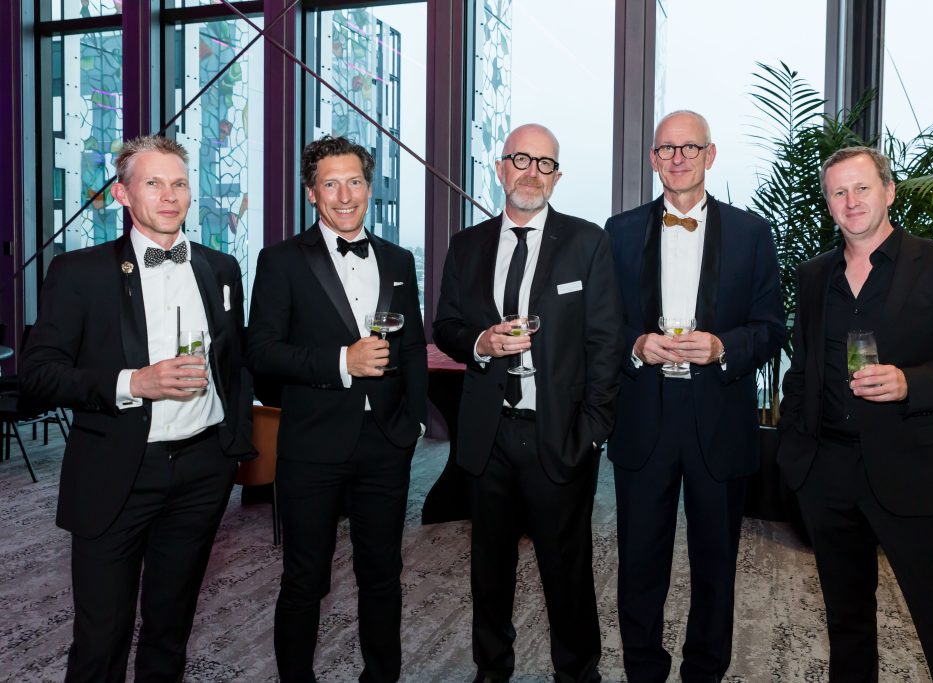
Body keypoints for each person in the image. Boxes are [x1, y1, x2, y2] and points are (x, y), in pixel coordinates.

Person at [19, 134, 254, 682]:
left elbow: (234, 362)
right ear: (123, 194)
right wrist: (134, 382)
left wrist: (232, 445)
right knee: (102, 637)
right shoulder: (79, 272)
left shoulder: (221, 268)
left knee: (170, 628)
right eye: (153, 183)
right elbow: (38, 374)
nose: (169, 196)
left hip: (202, 469)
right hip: (116, 470)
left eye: (179, 184)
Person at [778, 145, 933, 682]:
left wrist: (913, 382)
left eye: (862, 188)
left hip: (919, 476)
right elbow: (803, 371)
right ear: (828, 203)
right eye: (838, 192)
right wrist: (797, 456)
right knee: (847, 626)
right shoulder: (814, 276)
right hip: (827, 475)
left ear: (888, 191)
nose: (851, 201)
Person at [433, 123, 622, 683]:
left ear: (557, 177)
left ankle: (578, 673)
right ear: (500, 168)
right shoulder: (466, 245)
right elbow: (445, 326)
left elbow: (606, 342)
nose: (532, 173)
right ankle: (491, 670)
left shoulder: (587, 242)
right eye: (521, 159)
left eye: (545, 164)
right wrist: (480, 342)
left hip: (558, 433)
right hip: (487, 433)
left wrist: (592, 429)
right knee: (489, 569)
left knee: (567, 570)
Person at [606, 110, 786, 682]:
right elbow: (601, 325)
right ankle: (643, 671)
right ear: (653, 159)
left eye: (689, 148)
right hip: (644, 414)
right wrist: (636, 346)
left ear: (710, 155)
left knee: (716, 563)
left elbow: (772, 327)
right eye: (667, 149)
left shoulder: (752, 233)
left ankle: (705, 672)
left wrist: (723, 347)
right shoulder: (619, 231)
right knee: (640, 562)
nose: (677, 158)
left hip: (720, 416)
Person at [246, 135, 427, 683]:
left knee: (383, 575)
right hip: (313, 443)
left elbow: (413, 348)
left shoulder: (398, 259)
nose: (344, 196)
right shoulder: (280, 260)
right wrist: (342, 361)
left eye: (354, 182)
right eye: (331, 184)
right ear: (311, 192)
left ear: (369, 189)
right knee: (305, 580)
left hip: (386, 443)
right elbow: (262, 351)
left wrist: (414, 421)